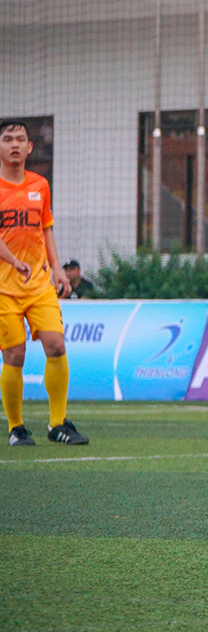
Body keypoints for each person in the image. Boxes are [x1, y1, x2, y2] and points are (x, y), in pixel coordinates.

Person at [0, 122, 87, 446]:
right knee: (15, 356)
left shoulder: (40, 185)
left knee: (56, 346)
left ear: (30, 147)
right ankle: (16, 428)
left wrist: (57, 269)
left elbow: (45, 228)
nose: (14, 145)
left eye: (20, 139)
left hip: (37, 285)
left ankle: (57, 424)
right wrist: (13, 261)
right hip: (4, 289)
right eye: (7, 139)